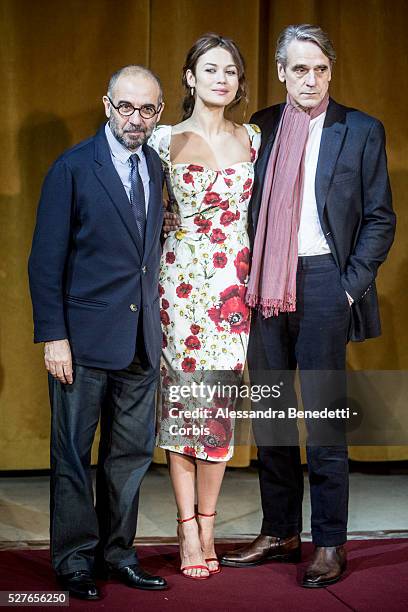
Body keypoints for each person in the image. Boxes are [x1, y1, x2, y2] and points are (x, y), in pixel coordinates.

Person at [220, 24, 396, 587]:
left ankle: (329, 542)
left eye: (320, 68)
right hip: (266, 281)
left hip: (325, 282)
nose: (312, 79)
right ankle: (279, 531)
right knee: (272, 412)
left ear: (330, 70)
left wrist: (348, 286)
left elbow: (379, 218)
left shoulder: (361, 129)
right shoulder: (262, 128)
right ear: (281, 72)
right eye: (300, 69)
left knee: (323, 419)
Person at [28, 65, 168, 600]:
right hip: (81, 342)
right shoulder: (72, 169)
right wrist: (53, 337)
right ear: (106, 105)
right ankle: (73, 561)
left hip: (139, 341)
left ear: (158, 113)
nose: (136, 118)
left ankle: (118, 555)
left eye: (148, 109)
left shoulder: (155, 166)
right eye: (126, 107)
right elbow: (45, 261)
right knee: (72, 455)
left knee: (129, 457)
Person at [148, 33, 261, 579]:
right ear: (189, 77)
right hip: (179, 290)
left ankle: (209, 523)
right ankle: (185, 526)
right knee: (184, 408)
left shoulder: (254, 138)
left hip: (232, 292)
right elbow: (135, 206)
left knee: (216, 412)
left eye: (231, 71)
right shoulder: (162, 140)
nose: (222, 78)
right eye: (210, 69)